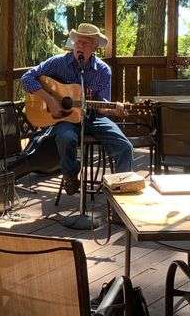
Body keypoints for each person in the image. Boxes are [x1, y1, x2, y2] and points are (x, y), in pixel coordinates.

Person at [20, 22, 133, 194]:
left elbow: (103, 105)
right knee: (66, 138)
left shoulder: (103, 70)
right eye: (78, 41)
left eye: (86, 43)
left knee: (125, 147)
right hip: (65, 118)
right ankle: (71, 175)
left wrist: (113, 109)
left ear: (95, 47)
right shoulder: (58, 63)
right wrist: (49, 99)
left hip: (93, 117)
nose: (80, 45)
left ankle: (121, 193)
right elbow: (26, 78)